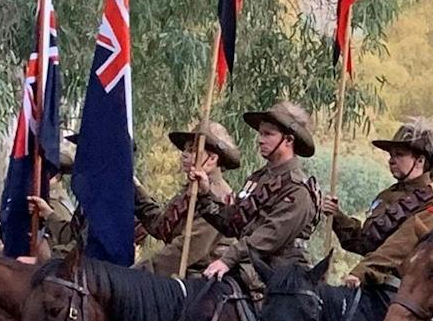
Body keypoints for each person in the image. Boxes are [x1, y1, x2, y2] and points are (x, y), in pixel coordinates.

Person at [195, 100, 325, 292]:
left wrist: (227, 259)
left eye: (268, 134)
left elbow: (269, 237)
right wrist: (206, 194)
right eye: (260, 134)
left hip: (281, 279)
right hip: (248, 267)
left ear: (288, 140)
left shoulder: (298, 190)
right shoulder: (258, 178)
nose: (260, 140)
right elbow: (232, 223)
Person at [323, 118, 433, 290]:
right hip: (373, 286)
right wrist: (338, 216)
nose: (391, 160)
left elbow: (399, 247)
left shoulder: (432, 205)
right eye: (391, 155)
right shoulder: (388, 195)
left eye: (399, 154)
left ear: (420, 161)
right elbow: (365, 243)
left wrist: (361, 272)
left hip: (404, 294)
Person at [133, 121, 243, 276]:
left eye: (192, 150)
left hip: (205, 279)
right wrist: (135, 189)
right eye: (185, 149)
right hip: (182, 272)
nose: (184, 154)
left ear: (212, 159)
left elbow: (187, 249)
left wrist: (140, 273)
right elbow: (162, 226)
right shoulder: (190, 190)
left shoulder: (220, 197)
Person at [26, 137, 80, 257]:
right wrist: (48, 214)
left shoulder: (55, 203)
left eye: (44, 173)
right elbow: (70, 233)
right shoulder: (50, 202)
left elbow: (77, 244)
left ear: (56, 176)